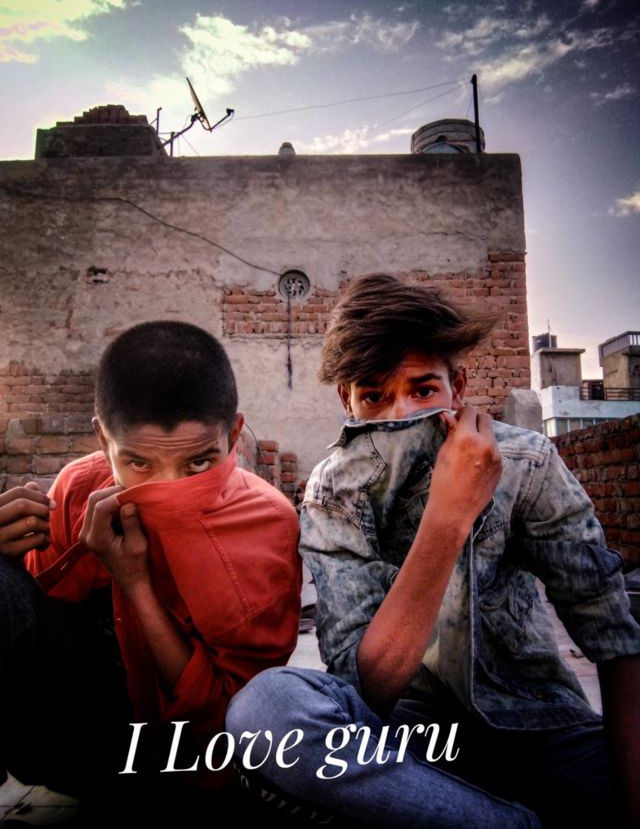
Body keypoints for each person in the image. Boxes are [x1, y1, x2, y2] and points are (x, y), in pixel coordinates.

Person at [226, 274, 640, 828]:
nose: (400, 415)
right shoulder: (332, 492)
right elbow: (367, 685)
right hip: (409, 751)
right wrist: (447, 518)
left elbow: (613, 635)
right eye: (374, 397)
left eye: (422, 391)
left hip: (540, 730)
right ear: (347, 400)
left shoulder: (525, 463)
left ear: (457, 388)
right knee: (267, 711)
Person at [0, 321, 301, 820]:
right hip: (77, 738)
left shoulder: (265, 524)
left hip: (189, 766)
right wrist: (9, 557)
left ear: (233, 435)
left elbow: (228, 727)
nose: (168, 488)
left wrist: (135, 582)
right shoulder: (80, 488)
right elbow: (32, 635)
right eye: (139, 464)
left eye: (199, 464)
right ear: (103, 439)